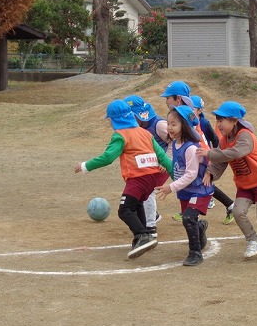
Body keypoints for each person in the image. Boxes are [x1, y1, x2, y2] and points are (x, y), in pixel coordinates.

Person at [75, 99, 173, 259]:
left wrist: (86, 166)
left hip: (138, 179)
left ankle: (142, 235)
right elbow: (163, 158)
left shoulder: (120, 135)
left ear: (114, 120)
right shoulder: (145, 133)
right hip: (152, 179)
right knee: (137, 204)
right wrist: (177, 179)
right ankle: (145, 234)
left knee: (125, 210)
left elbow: (108, 157)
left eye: (110, 120)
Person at [197, 101, 257, 261]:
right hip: (245, 184)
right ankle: (253, 240)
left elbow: (235, 153)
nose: (218, 124)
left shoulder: (245, 135)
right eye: (217, 121)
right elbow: (221, 161)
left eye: (221, 120)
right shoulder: (224, 140)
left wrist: (209, 153)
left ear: (234, 121)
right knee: (237, 212)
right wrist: (210, 172)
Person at [160, 81, 235, 225]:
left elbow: (199, 134)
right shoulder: (178, 112)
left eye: (168, 97)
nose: (166, 101)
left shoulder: (184, 112)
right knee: (199, 180)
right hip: (191, 148)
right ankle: (227, 205)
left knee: (201, 180)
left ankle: (225, 204)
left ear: (178, 98)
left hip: (196, 149)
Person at [156, 105, 214, 266]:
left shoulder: (191, 148)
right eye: (168, 124)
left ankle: (195, 253)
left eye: (174, 124)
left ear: (185, 126)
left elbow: (191, 174)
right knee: (189, 219)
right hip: (186, 191)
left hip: (200, 190)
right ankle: (200, 228)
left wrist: (171, 187)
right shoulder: (175, 144)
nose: (169, 128)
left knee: (188, 217)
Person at [124, 94, 171, 237]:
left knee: (149, 192)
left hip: (163, 166)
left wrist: (167, 160)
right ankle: (152, 215)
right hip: (149, 166)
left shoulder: (159, 125)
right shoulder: (136, 128)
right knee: (140, 191)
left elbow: (175, 142)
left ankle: (150, 227)